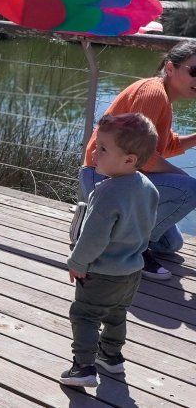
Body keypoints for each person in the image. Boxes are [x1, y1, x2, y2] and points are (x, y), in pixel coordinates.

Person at [81, 40, 196, 279]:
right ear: (171, 67)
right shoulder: (153, 94)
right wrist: (182, 177)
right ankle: (128, 249)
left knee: (170, 244)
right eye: (194, 72)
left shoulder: (162, 95)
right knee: (190, 189)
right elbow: (140, 159)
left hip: (116, 176)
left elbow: (166, 146)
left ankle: (95, 225)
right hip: (103, 177)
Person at [62, 113, 159, 388]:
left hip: (102, 272)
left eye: (103, 148)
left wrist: (77, 261)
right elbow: (147, 226)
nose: (94, 151)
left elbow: (93, 237)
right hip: (131, 272)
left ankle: (83, 366)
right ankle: (111, 357)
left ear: (129, 159)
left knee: (84, 314)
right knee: (117, 314)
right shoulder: (148, 188)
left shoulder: (107, 193)